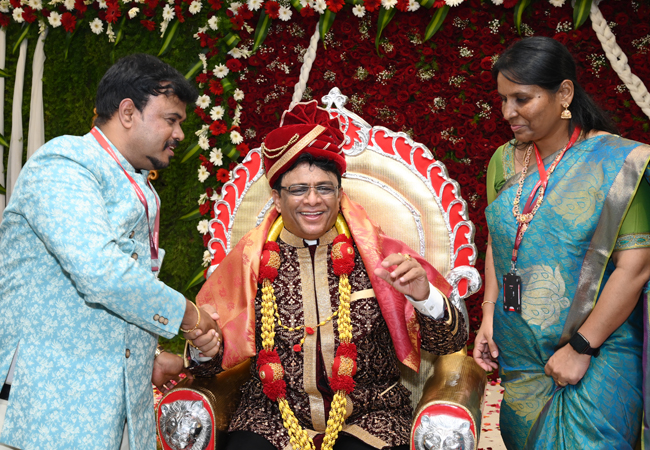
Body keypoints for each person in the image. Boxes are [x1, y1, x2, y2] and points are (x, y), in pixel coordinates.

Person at [185, 101, 468, 450]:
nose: (313, 200)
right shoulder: (248, 263)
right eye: (299, 189)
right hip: (270, 415)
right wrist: (203, 349)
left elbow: (449, 344)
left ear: (339, 193)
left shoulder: (383, 256)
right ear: (276, 197)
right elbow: (212, 358)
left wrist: (425, 297)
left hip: (371, 414)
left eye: (324, 187)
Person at [0, 54, 220, 450]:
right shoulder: (65, 164)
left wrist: (148, 355)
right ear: (128, 112)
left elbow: (120, 292)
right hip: (49, 409)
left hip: (112, 403)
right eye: (171, 119)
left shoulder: (133, 182)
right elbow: (100, 272)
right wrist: (189, 314)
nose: (179, 134)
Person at [472, 36, 650, 449]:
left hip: (597, 355)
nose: (508, 113)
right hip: (521, 360)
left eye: (522, 99)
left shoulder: (619, 164)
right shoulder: (502, 161)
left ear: (564, 93)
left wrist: (582, 348)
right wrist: (487, 317)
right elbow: (499, 242)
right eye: (502, 100)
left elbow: (636, 267)